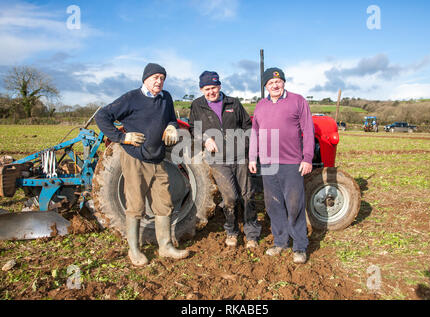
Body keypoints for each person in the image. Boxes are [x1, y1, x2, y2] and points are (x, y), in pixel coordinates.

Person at [95, 63, 189, 266]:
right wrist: (121, 137)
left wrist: (172, 127)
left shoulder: (166, 98)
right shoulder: (131, 98)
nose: (159, 81)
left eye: (162, 78)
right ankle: (134, 250)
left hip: (158, 159)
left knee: (164, 203)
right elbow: (101, 116)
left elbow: (171, 119)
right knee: (136, 204)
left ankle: (165, 246)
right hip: (135, 159)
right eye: (155, 77)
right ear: (145, 78)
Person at [188, 71, 261, 248]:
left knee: (247, 195)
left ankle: (251, 233)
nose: (211, 91)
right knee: (229, 197)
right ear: (201, 89)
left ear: (219, 86)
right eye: (207, 89)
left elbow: (247, 126)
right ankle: (232, 231)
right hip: (218, 159)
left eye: (213, 87)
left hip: (239, 157)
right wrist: (205, 138)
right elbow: (192, 128)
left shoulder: (233, 103)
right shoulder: (197, 106)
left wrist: (243, 146)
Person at [248, 67, 314, 264]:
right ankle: (280, 241)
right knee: (273, 204)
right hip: (268, 163)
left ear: (283, 82)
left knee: (295, 204)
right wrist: (253, 157)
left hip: (291, 161)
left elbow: (308, 130)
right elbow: (255, 133)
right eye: (270, 83)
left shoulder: (297, 100)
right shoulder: (260, 105)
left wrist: (307, 158)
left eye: (278, 81)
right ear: (266, 86)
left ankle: (300, 246)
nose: (275, 85)